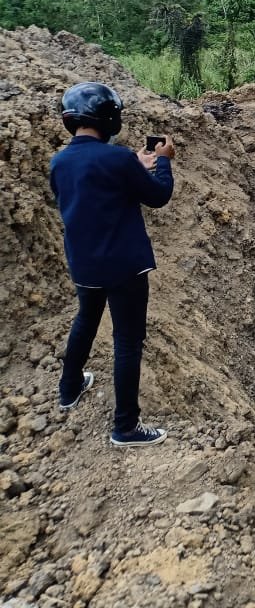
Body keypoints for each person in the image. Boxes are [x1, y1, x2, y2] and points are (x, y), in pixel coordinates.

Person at [50, 82, 175, 447]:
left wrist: (134, 166)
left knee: (85, 320)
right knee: (127, 342)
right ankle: (126, 427)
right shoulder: (118, 158)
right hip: (124, 266)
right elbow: (158, 196)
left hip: (84, 264)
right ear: (108, 118)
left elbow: (92, 191)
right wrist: (164, 161)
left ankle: (69, 389)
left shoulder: (59, 162)